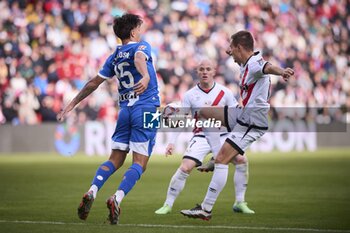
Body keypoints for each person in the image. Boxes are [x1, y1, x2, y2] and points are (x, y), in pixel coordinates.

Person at [57, 13, 160, 225]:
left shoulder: (115, 55)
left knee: (115, 159)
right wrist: (146, 76)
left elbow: (93, 83)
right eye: (139, 29)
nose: (141, 33)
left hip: (125, 111)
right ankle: (117, 197)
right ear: (133, 32)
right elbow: (140, 59)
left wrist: (72, 104)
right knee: (140, 163)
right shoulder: (141, 47)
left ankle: (92, 190)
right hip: (147, 108)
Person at [180, 30, 294, 220]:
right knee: (204, 111)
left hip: (252, 120)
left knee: (223, 160)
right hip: (242, 114)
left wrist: (282, 72)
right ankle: (216, 155)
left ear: (240, 48)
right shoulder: (247, 61)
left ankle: (205, 209)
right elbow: (243, 55)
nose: (229, 53)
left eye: (232, 49)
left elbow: (267, 67)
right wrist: (231, 48)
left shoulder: (255, 63)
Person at [155, 59, 254, 215]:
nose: (205, 72)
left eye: (208, 69)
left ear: (214, 71)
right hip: (201, 135)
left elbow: (234, 117)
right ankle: (167, 205)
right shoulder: (189, 95)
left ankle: (240, 202)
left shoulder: (225, 92)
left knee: (242, 160)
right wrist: (171, 143)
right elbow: (182, 119)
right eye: (202, 69)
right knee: (185, 167)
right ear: (197, 72)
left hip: (223, 135)